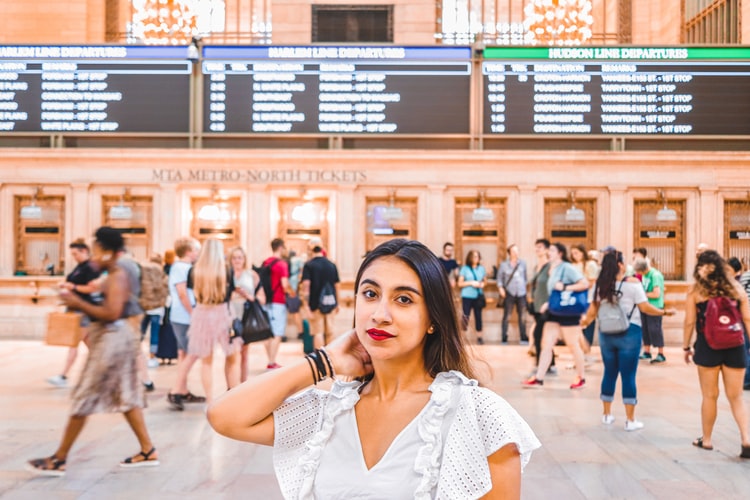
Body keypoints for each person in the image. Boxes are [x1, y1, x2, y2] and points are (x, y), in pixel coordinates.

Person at [207, 238, 540, 498]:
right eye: (370, 294)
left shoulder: (476, 414)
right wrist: (322, 362)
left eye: (404, 299)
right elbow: (224, 416)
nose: (380, 313)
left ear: (433, 320)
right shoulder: (329, 412)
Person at [28, 227, 159, 476]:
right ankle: (148, 450)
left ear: (106, 249)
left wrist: (77, 303)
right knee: (127, 396)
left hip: (112, 340)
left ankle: (59, 458)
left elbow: (112, 313)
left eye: (97, 248)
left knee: (85, 395)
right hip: (115, 338)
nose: (95, 254)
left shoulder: (118, 273)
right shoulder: (114, 271)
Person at [581, 251, 675, 431]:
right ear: (621, 265)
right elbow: (645, 307)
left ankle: (607, 415)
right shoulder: (633, 284)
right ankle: (630, 420)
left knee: (609, 372)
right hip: (630, 333)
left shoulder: (600, 285)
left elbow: (591, 314)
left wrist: (580, 323)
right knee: (628, 375)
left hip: (606, 333)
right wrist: (664, 312)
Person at [683, 250, 750, 457]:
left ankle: (708, 440)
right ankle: (747, 439)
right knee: (736, 397)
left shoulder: (696, 291)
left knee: (709, 396)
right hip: (735, 346)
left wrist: (686, 347)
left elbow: (689, 322)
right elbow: (747, 319)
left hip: (707, 346)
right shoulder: (736, 288)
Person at [174, 239, 239, 404]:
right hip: (223, 313)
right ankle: (234, 398)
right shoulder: (226, 270)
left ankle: (210, 401)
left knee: (206, 361)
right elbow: (229, 295)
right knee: (232, 357)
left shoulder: (194, 271)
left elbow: (191, 293)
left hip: (201, 314)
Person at [523, 242, 589, 389]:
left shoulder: (567, 267)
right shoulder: (552, 269)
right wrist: (548, 303)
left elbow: (584, 283)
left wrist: (566, 287)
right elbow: (553, 291)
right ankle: (539, 378)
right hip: (554, 311)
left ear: (560, 253)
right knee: (546, 344)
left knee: (573, 344)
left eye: (552, 250)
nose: (549, 252)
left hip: (568, 313)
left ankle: (581, 377)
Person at [47, 239, 101, 388]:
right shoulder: (80, 266)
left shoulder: (90, 267)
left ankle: (63, 375)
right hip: (77, 308)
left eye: (75, 253)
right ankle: (104, 373)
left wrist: (73, 286)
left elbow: (91, 289)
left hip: (83, 310)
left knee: (73, 342)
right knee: (91, 345)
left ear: (84, 251)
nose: (74, 257)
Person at [166, 237, 205, 411]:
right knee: (195, 351)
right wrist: (194, 313)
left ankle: (182, 390)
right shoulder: (181, 268)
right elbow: (183, 294)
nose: (197, 254)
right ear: (189, 251)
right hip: (184, 317)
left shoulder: (182, 267)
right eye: (196, 250)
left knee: (184, 353)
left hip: (181, 316)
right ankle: (175, 390)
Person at [228, 246, 266, 383]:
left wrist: (248, 296)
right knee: (231, 352)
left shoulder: (252, 275)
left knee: (244, 352)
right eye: (234, 258)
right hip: (229, 315)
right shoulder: (227, 275)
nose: (237, 260)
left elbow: (262, 298)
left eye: (240, 257)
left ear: (244, 259)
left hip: (246, 314)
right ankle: (231, 385)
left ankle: (243, 384)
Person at [301, 237, 341, 349]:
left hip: (315, 305)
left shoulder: (309, 265)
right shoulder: (331, 265)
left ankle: (320, 360)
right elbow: (337, 286)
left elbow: (306, 287)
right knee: (330, 332)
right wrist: (338, 303)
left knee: (318, 332)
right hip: (331, 302)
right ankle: (330, 359)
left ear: (310, 249)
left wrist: (306, 305)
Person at [262, 238, 295, 369]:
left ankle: (270, 359)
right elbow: (284, 284)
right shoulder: (282, 264)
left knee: (267, 332)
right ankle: (271, 362)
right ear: (281, 248)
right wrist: (292, 293)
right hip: (278, 301)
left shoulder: (266, 262)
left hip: (266, 300)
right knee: (277, 333)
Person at [529, 238, 555, 374]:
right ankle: (550, 363)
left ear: (546, 249)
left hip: (547, 307)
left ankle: (541, 364)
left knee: (538, 335)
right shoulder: (536, 267)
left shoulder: (550, 267)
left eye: (540, 247)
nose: (537, 249)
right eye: (536, 247)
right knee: (544, 336)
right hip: (537, 306)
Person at [635, 257, 667, 364]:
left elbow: (656, 293)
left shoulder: (655, 275)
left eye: (639, 271)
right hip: (645, 305)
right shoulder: (645, 275)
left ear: (643, 269)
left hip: (655, 306)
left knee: (655, 329)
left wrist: (642, 295)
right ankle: (647, 351)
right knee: (645, 329)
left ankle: (660, 353)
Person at [497, 243, 528, 344]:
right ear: (509, 253)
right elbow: (499, 279)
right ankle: (504, 338)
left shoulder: (523, 263)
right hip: (509, 293)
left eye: (517, 250)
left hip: (521, 293)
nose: (516, 253)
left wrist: (524, 287)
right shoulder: (504, 265)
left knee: (523, 316)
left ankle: (523, 337)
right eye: (514, 251)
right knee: (507, 316)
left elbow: (525, 278)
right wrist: (501, 288)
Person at [571, 244, 600, 352]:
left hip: (588, 297)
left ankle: (587, 348)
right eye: (573, 254)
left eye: (576, 253)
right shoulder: (573, 265)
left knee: (588, 323)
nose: (574, 256)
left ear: (582, 253)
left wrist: (579, 286)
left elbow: (591, 282)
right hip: (575, 298)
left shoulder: (590, 264)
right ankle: (580, 349)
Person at [458, 249, 487, 344]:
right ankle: (462, 337)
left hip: (478, 296)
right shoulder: (465, 268)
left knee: (478, 317)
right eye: (474, 256)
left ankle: (479, 337)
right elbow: (460, 283)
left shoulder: (481, 269)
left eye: (478, 256)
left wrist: (482, 284)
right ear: (470, 257)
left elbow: (484, 281)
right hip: (467, 295)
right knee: (465, 316)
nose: (476, 258)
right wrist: (471, 283)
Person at [738, 261, 750, 391]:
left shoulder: (747, 275)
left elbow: (739, 293)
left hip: (748, 316)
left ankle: (747, 380)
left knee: (746, 348)